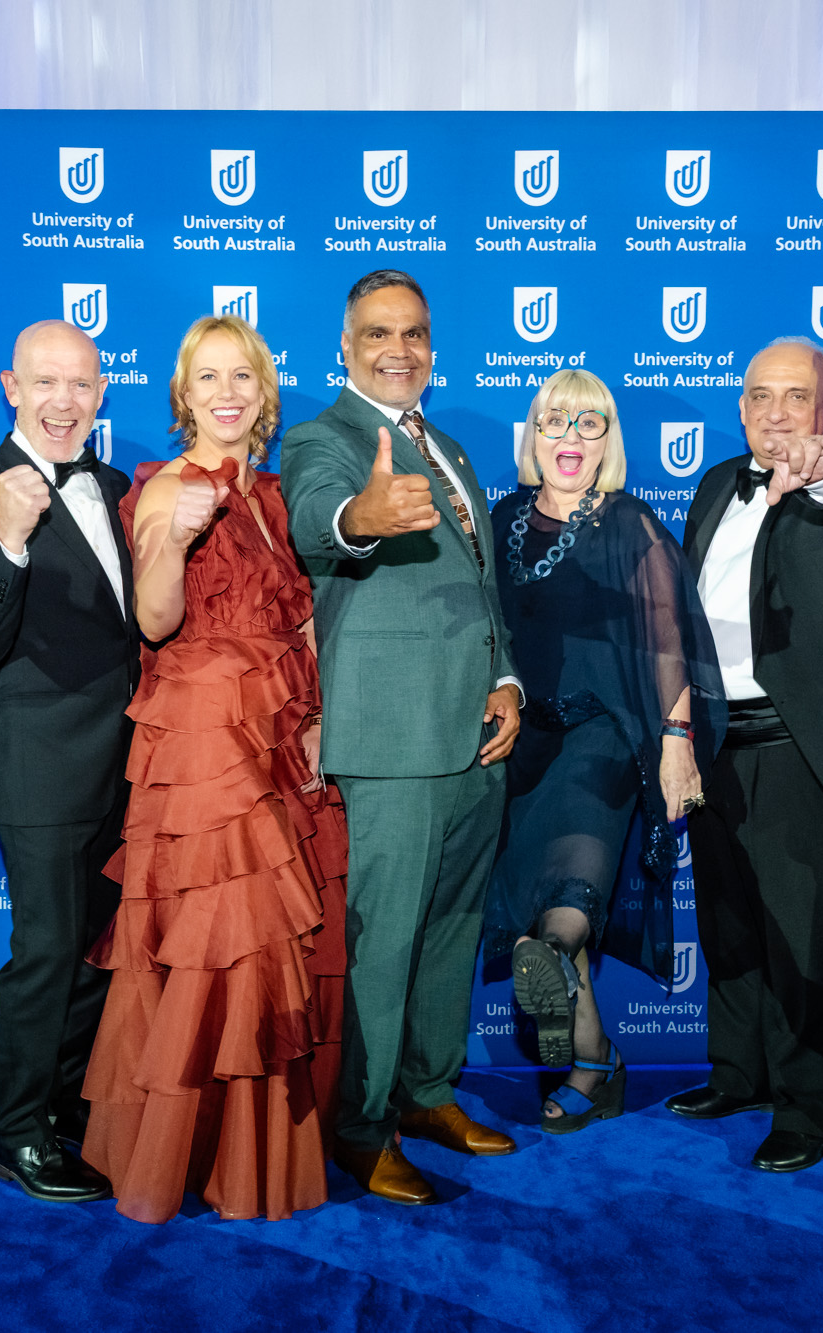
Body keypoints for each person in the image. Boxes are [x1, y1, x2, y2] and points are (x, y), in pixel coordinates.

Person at [79, 312, 348, 1223]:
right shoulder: (167, 487)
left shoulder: (276, 494)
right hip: (205, 743)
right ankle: (199, 1159)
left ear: (263, 392)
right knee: (220, 940)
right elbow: (155, 620)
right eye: (208, 378)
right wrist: (174, 540)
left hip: (281, 731)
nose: (227, 393)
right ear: (183, 396)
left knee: (273, 942)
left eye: (242, 376)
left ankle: (256, 1154)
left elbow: (302, 618)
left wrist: (320, 714)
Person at [281, 270, 521, 1205]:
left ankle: (426, 1092)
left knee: (452, 930)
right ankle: (362, 1125)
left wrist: (506, 680)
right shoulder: (324, 438)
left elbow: (479, 587)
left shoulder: (448, 446)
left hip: (475, 734)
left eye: (413, 333)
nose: (399, 349)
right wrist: (362, 519)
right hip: (391, 739)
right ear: (344, 347)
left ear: (433, 346)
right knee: (382, 943)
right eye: (378, 333)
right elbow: (320, 520)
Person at [667, 338, 823, 1173]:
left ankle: (810, 1108)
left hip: (799, 745)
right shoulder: (713, 485)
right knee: (728, 919)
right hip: (712, 739)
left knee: (802, 930)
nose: (777, 413)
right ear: (740, 408)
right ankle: (740, 1074)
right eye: (761, 396)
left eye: (797, 396)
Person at [482, 370, 726, 1133]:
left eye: (589, 423)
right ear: (534, 434)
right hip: (522, 742)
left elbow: (666, 641)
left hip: (604, 737)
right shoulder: (503, 517)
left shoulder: (630, 522)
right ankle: (597, 1061)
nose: (571, 436)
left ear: (607, 440)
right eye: (556, 420)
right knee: (543, 902)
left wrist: (677, 744)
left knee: (574, 885)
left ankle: (553, 962)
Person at [0, 320, 135, 1205]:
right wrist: (10, 541)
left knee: (97, 952)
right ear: (11, 389)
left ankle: (65, 1103)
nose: (64, 401)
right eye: (44, 382)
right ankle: (18, 1133)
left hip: (125, 769)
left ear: (101, 393)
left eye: (80, 384)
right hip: (42, 770)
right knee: (47, 952)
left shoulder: (117, 486)